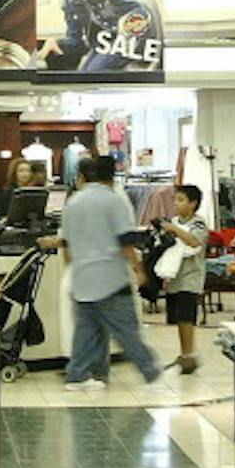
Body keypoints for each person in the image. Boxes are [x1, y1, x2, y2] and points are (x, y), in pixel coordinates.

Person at [59, 154, 164, 391]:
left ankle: (77, 375)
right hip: (109, 277)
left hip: (82, 277)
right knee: (126, 330)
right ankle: (151, 371)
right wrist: (139, 270)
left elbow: (66, 242)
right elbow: (125, 240)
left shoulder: (73, 202)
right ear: (112, 176)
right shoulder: (113, 200)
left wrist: (73, 269)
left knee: (86, 332)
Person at [158, 183, 209, 374]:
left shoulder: (199, 224)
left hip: (191, 277)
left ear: (193, 204)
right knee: (179, 319)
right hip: (174, 277)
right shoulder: (174, 221)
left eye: (181, 200)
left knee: (187, 318)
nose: (176, 204)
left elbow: (194, 241)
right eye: (175, 200)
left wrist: (174, 229)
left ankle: (189, 355)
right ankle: (185, 354)